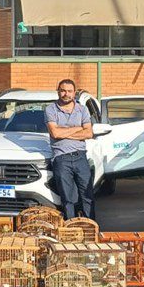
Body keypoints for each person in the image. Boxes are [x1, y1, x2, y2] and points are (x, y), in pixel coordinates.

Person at [45, 79, 95, 220]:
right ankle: (70, 229)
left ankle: (90, 227)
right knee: (67, 198)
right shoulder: (50, 109)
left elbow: (89, 133)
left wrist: (64, 132)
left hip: (80, 157)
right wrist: (78, 128)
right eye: (63, 90)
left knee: (87, 195)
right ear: (58, 91)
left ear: (74, 93)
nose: (66, 94)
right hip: (61, 158)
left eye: (69, 91)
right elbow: (55, 134)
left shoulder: (82, 109)